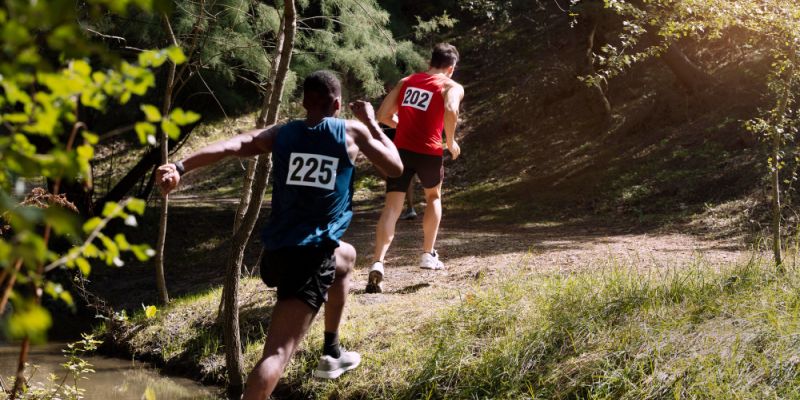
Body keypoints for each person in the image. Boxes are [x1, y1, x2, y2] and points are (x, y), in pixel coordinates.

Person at [155, 71, 402, 399]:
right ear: (338, 105)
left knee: (346, 255)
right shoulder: (351, 132)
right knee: (276, 354)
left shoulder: (283, 133)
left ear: (304, 103)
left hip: (278, 253)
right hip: (309, 257)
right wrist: (372, 123)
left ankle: (331, 352)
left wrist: (180, 167)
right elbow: (395, 167)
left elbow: (234, 144)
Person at [367, 43, 465, 294]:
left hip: (400, 151)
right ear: (451, 68)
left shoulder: (407, 81)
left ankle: (378, 261)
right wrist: (450, 141)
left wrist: (404, 127)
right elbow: (451, 109)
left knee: (392, 207)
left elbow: (382, 115)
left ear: (430, 62)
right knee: (433, 197)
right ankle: (427, 254)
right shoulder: (451, 86)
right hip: (429, 153)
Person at [381, 123, 419, 220]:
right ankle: (407, 207)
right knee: (402, 175)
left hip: (399, 139)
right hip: (393, 138)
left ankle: (408, 208)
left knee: (403, 174)